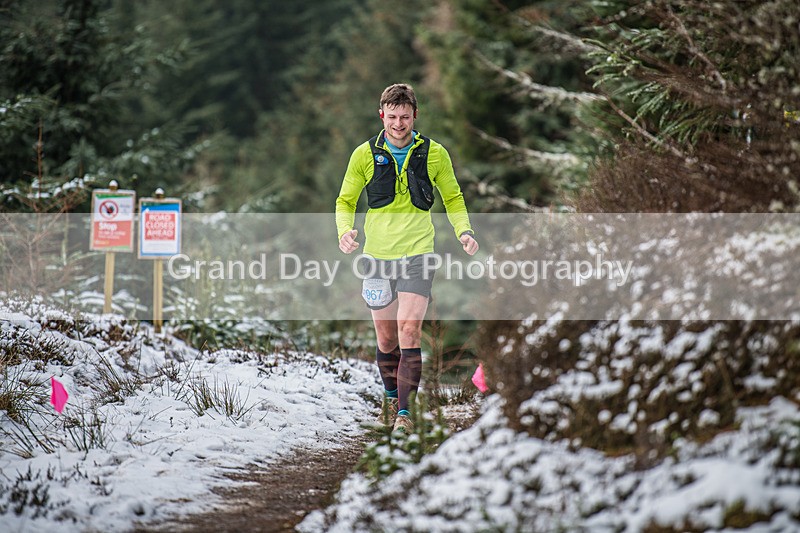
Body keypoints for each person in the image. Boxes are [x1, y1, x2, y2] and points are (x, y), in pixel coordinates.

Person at [335, 83, 479, 432]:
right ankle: (390, 398)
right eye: (392, 117)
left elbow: (453, 198)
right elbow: (345, 200)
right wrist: (344, 231)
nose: (398, 124)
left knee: (409, 330)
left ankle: (404, 413)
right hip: (377, 256)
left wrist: (464, 231)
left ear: (415, 115)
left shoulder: (435, 153)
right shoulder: (364, 154)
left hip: (418, 253)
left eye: (405, 117)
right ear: (381, 115)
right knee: (386, 339)